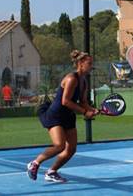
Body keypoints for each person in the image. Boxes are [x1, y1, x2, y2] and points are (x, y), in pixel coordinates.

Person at [27, 50, 99, 182]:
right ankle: (35, 163)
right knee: (59, 145)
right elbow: (65, 101)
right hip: (56, 115)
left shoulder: (84, 82)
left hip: (68, 117)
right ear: (81, 63)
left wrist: (92, 109)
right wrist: (84, 112)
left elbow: (83, 102)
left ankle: (51, 172)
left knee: (71, 149)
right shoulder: (71, 79)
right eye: (89, 63)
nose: (91, 66)